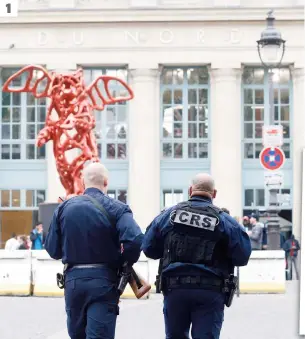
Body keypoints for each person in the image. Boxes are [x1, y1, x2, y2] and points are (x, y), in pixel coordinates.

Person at [142, 173, 251, 339]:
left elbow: (149, 249)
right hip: (210, 291)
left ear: (190, 190)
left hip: (175, 289)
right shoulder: (225, 221)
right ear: (214, 193)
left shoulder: (167, 216)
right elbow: (242, 257)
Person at [45, 162, 143, 339]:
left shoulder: (63, 208)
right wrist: (124, 262)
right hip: (104, 281)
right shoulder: (118, 209)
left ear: (83, 183)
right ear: (106, 182)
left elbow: (53, 250)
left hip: (73, 281)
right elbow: (135, 240)